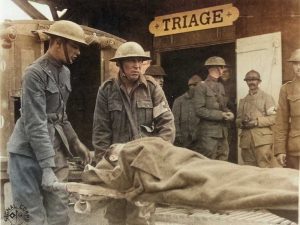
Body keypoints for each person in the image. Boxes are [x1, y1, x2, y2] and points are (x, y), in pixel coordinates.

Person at [7, 20, 91, 225]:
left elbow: (60, 116)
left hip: (53, 150)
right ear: (57, 43)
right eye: (75, 46)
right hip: (26, 154)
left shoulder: (65, 73)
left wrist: (75, 142)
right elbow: (35, 122)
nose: (78, 52)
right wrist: (46, 167)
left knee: (59, 214)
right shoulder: (34, 73)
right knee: (31, 217)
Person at [92, 41, 175, 225]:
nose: (137, 65)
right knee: (115, 216)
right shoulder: (106, 91)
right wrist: (105, 162)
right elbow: (101, 131)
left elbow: (167, 126)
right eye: (131, 61)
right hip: (117, 165)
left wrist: (156, 155)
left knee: (141, 217)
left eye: (140, 61)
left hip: (143, 165)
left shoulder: (153, 89)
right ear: (120, 65)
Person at [193, 56, 234, 160]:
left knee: (223, 162)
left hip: (222, 133)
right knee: (209, 164)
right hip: (208, 135)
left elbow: (223, 107)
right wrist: (221, 115)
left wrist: (229, 113)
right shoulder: (201, 86)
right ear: (217, 68)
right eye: (222, 67)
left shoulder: (220, 86)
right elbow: (199, 110)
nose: (223, 70)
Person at [236, 70, 277, 167]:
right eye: (248, 80)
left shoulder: (267, 98)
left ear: (259, 81)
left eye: (254, 79)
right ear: (246, 82)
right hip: (246, 142)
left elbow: (274, 118)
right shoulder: (243, 101)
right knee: (249, 170)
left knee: (264, 168)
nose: (251, 82)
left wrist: (256, 122)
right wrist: (242, 122)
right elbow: (237, 120)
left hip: (262, 141)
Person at [274, 49, 300, 170]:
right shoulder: (286, 89)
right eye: (295, 63)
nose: (299, 67)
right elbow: (281, 122)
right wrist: (280, 150)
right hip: (295, 149)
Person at [172, 74, 202, 151]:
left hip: (199, 140)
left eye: (198, 86)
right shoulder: (179, 101)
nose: (195, 88)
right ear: (189, 86)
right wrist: (178, 136)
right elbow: (174, 120)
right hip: (183, 140)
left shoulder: (202, 101)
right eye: (193, 85)